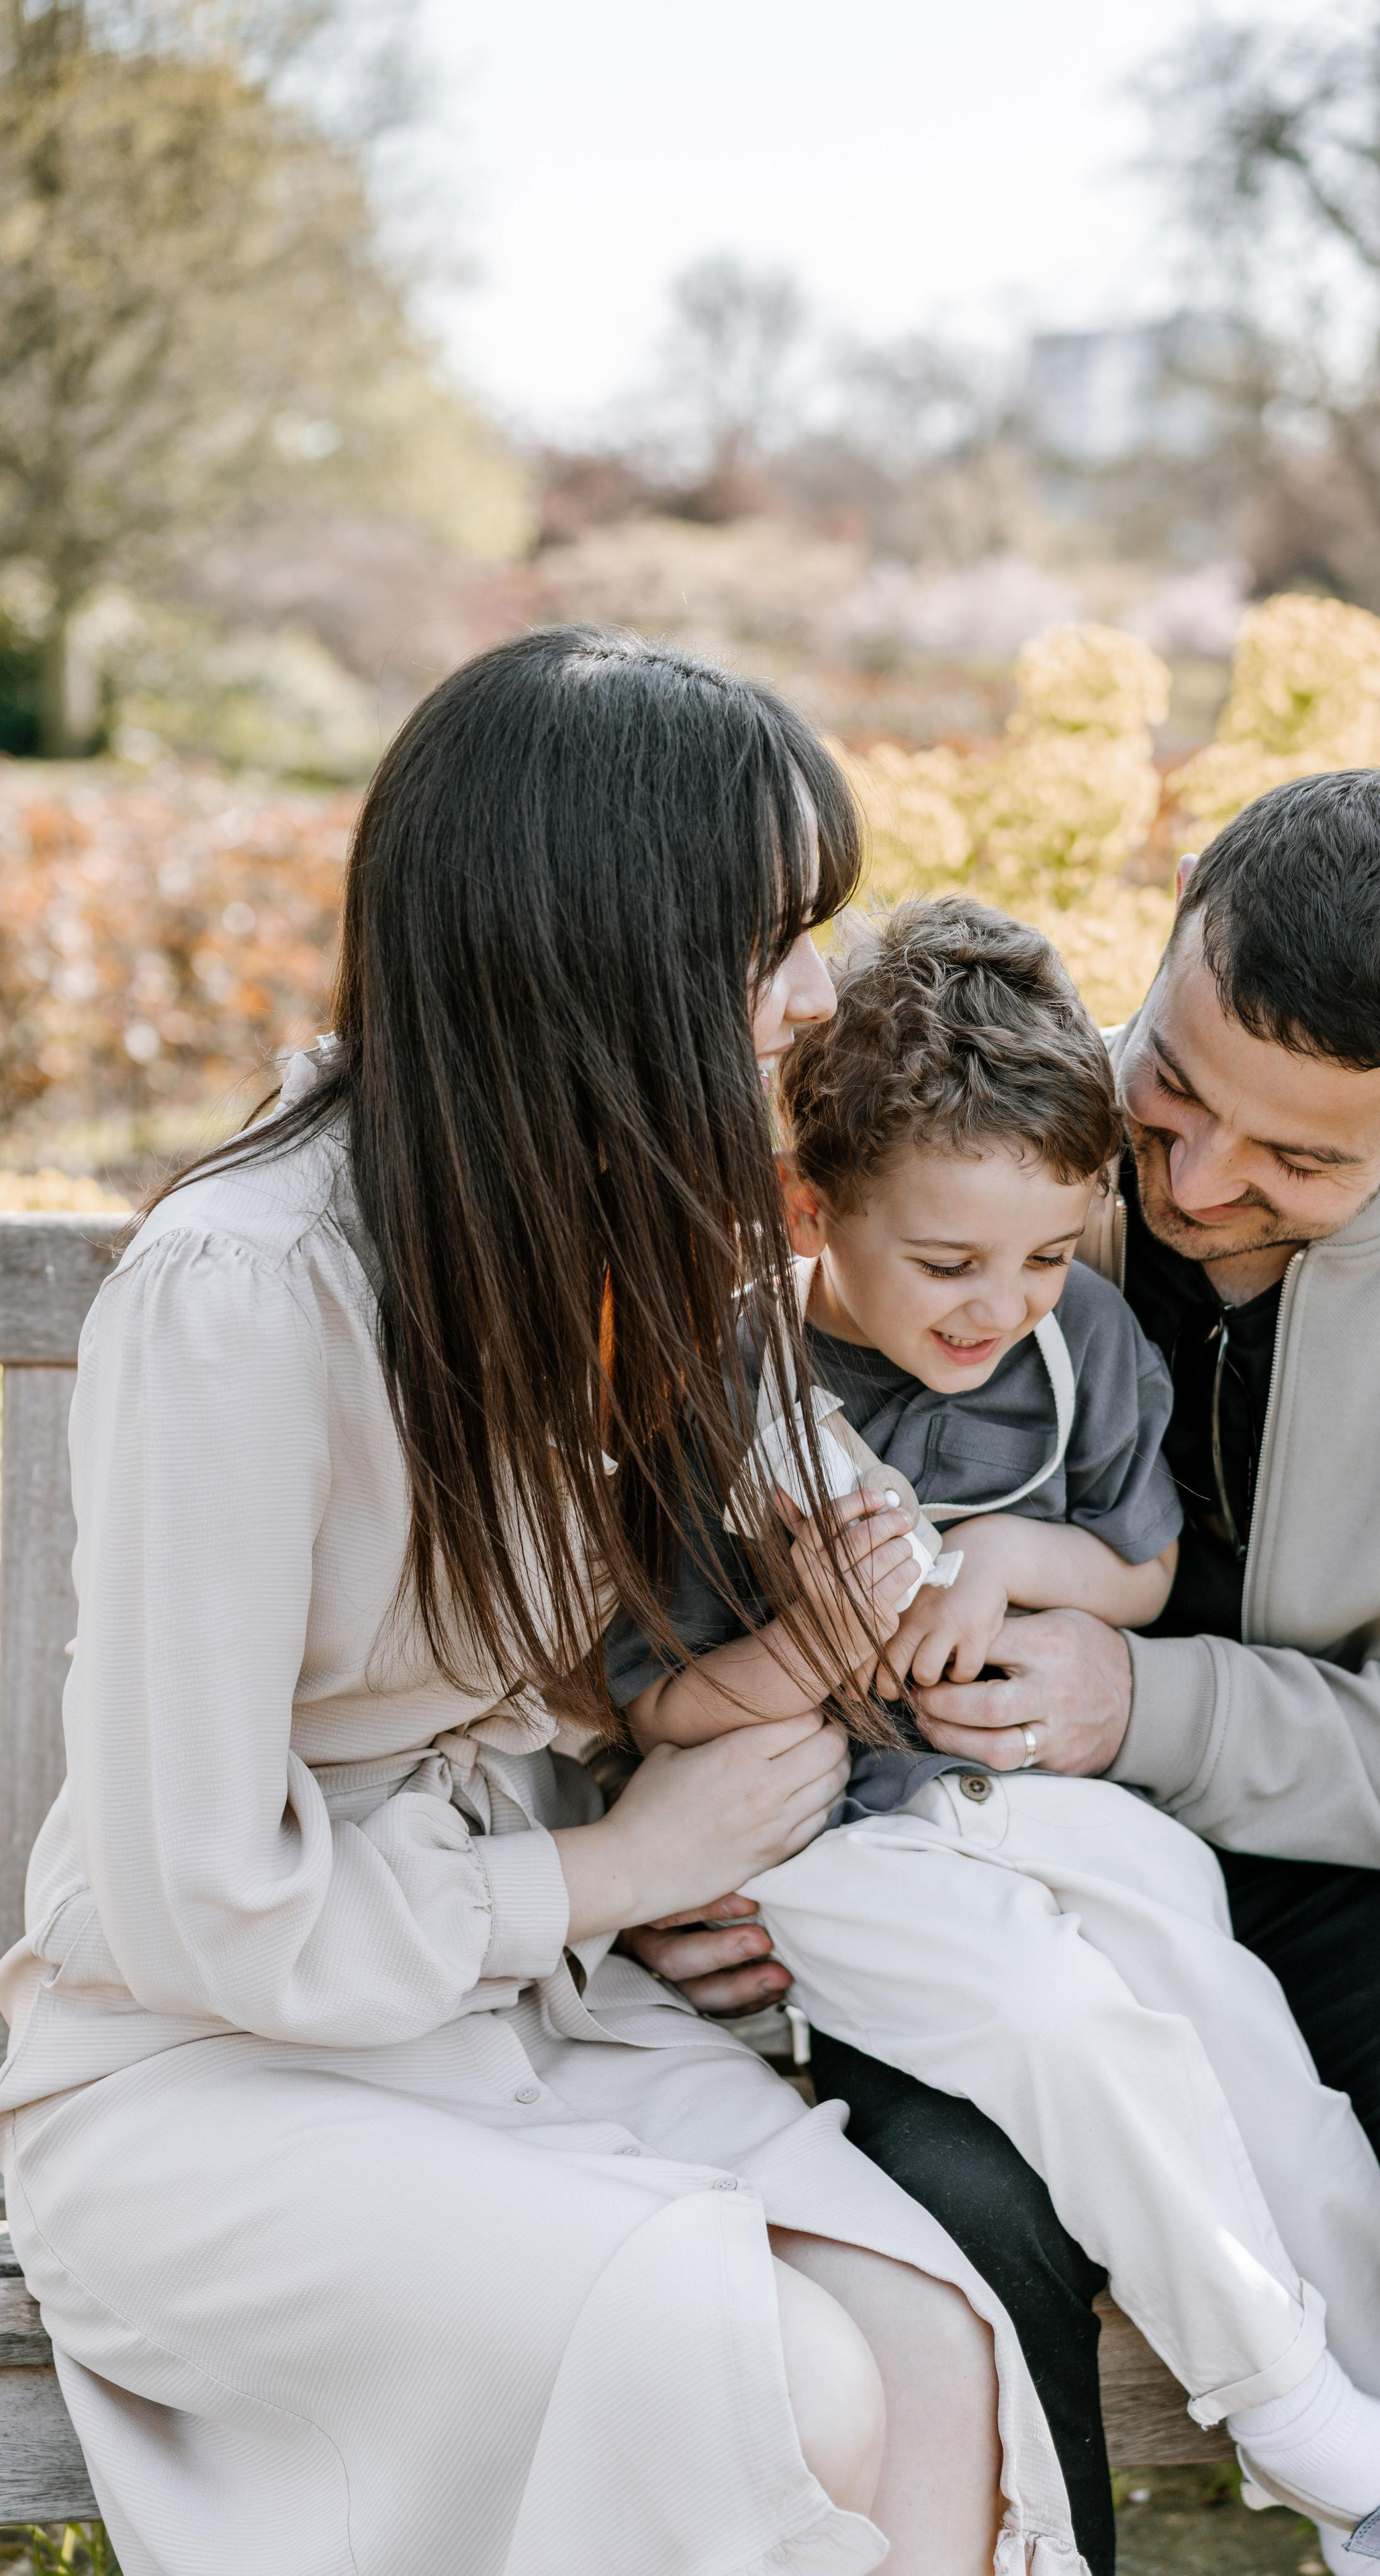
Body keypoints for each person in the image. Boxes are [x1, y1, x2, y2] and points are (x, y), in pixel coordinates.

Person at [0, 628, 1082, 2576]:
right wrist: (613, 1872)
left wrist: (850, 1609)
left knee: (932, 2349)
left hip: (516, 2014)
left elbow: (735, 1548)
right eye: (772, 938)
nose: (817, 993)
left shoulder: (620, 1225)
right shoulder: (247, 1294)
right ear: (598, 950)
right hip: (209, 2070)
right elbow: (192, 1895)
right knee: (781, 2384)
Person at [628, 769, 1380, 2576]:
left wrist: (1151, 1706)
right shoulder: (975, 1148)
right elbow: (654, 1561)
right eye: (1183, 1091)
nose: (1198, 1184)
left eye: (1300, 1161)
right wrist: (669, 1863)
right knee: (964, 2215)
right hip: (975, 1844)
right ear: (1185, 897)